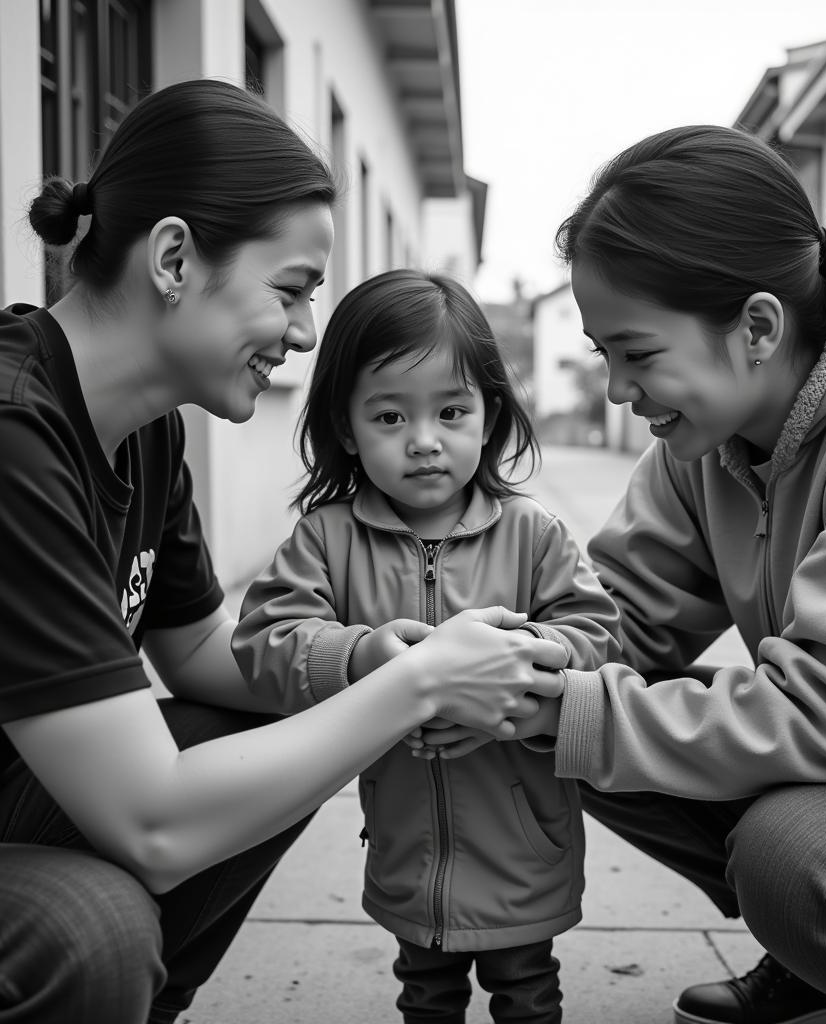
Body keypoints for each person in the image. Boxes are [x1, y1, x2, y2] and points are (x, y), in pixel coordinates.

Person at [0, 80, 569, 1024]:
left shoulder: (143, 432)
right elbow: (151, 822)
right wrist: (421, 684)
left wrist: (363, 660)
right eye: (292, 290)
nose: (308, 333)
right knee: (85, 929)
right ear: (176, 257)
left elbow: (192, 652)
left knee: (290, 729)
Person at [415, 124, 826, 1024]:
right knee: (574, 715)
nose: (621, 390)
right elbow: (616, 622)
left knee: (801, 864)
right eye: (605, 356)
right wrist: (509, 658)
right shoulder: (707, 440)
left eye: (639, 352)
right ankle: (819, 962)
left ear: (756, 326)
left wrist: (562, 703)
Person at [232, 268, 621, 1024]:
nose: (423, 443)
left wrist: (519, 666)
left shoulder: (531, 533)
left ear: (488, 415)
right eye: (388, 417)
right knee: (427, 992)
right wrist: (360, 659)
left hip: (521, 837)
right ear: (346, 427)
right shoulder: (327, 538)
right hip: (411, 842)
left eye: (450, 411)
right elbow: (266, 641)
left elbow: (597, 637)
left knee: (529, 991)